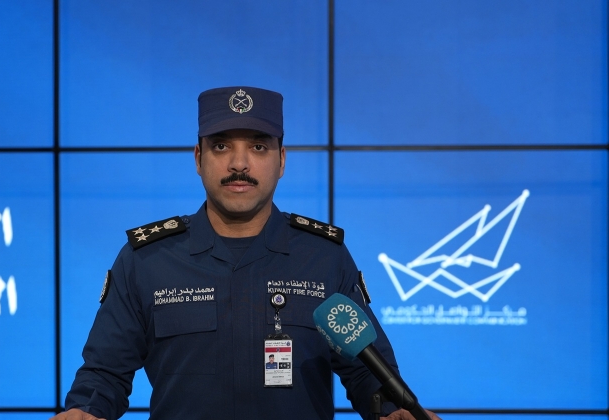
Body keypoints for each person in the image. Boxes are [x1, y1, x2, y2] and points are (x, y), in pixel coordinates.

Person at [53, 87, 441, 420]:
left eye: (258, 146)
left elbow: (369, 373)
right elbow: (104, 374)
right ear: (198, 158)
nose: (239, 164)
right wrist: (84, 411)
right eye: (221, 146)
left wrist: (395, 411)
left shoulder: (324, 257)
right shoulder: (147, 259)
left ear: (281, 160)